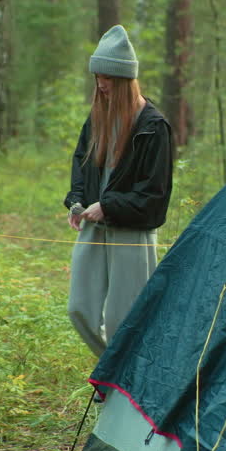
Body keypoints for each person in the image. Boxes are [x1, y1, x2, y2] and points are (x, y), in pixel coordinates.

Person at [64, 25, 175, 357]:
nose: (101, 84)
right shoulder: (97, 116)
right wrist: (77, 200)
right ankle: (114, 370)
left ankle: (122, 385)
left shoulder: (153, 127)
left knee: (122, 320)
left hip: (132, 233)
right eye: (98, 76)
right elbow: (82, 163)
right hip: (95, 225)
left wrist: (109, 206)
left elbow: (154, 199)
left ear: (126, 79)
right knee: (79, 309)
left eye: (109, 77)